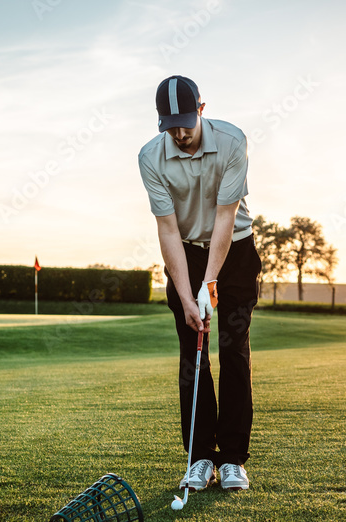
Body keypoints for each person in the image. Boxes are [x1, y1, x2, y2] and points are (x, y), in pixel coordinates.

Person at [138, 75, 260, 491]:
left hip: (236, 251)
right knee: (194, 353)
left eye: (186, 121)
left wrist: (208, 285)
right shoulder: (150, 157)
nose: (180, 132)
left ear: (202, 110)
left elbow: (225, 219)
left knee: (232, 348)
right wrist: (188, 295)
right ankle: (200, 459)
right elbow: (168, 230)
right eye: (170, 124)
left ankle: (232, 461)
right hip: (185, 252)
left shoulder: (231, 141)